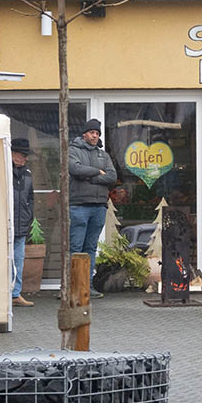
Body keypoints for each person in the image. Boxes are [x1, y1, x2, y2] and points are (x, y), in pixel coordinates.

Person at [68, 119, 116, 298]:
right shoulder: (73, 150)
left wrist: (91, 177)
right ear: (84, 134)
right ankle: (72, 289)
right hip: (79, 206)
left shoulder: (103, 155)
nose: (95, 135)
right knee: (76, 248)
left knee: (90, 248)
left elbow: (112, 176)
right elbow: (75, 169)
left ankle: (87, 287)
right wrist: (97, 171)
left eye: (97, 133)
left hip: (99, 207)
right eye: (92, 132)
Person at [11, 138, 35, 307]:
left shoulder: (27, 173)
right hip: (7, 224)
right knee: (6, 262)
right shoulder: (4, 170)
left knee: (18, 261)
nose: (25, 158)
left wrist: (29, 216)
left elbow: (30, 197)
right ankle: (4, 295)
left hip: (21, 224)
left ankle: (15, 294)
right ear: (13, 154)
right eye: (23, 154)